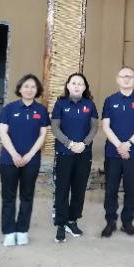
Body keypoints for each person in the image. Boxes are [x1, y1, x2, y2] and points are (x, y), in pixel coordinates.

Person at [0, 74, 49, 246]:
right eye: (26, 86)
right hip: (8, 160)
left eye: (33, 87)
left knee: (27, 196)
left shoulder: (41, 110)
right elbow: (3, 132)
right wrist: (14, 154)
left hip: (31, 161)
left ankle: (22, 230)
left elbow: (42, 136)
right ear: (19, 89)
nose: (29, 89)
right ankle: (9, 232)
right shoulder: (9, 108)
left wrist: (29, 155)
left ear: (37, 90)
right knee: (8, 197)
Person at [100, 66, 134, 237]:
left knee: (130, 189)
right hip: (112, 153)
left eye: (129, 76)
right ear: (117, 79)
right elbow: (106, 126)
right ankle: (110, 222)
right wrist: (119, 146)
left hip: (133, 153)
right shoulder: (110, 100)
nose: (126, 79)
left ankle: (127, 223)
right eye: (123, 76)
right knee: (111, 190)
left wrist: (128, 144)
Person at [51, 73, 98, 243]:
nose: (77, 86)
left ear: (85, 87)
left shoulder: (89, 105)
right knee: (62, 189)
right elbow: (55, 127)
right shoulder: (60, 104)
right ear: (68, 86)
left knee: (79, 189)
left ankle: (72, 221)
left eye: (80, 83)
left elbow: (94, 127)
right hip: (64, 153)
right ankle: (61, 224)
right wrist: (70, 144)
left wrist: (84, 143)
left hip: (84, 154)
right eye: (74, 83)